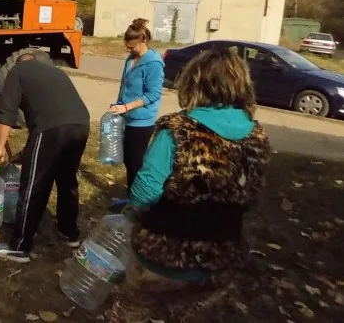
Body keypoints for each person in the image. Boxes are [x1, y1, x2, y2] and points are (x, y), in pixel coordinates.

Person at [108, 48, 271, 322]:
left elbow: (146, 190)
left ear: (194, 82)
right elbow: (251, 197)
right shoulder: (257, 136)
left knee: (133, 313)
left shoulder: (178, 129)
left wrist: (132, 212)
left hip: (162, 257)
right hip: (219, 259)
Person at [0, 53, 90, 263]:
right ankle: (69, 232)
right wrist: (23, 155)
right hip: (81, 124)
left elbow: (5, 112)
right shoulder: (56, 72)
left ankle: (19, 246)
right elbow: (46, 120)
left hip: (52, 128)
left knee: (33, 185)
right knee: (67, 180)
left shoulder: (17, 72)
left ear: (18, 64)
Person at [109, 18, 164, 197]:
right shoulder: (131, 58)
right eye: (128, 47)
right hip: (126, 116)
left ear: (143, 41)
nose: (130, 50)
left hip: (141, 121)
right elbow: (125, 85)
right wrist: (118, 104)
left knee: (136, 162)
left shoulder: (153, 63)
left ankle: (137, 200)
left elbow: (152, 94)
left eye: (133, 47)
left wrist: (127, 107)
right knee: (128, 160)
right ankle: (131, 195)